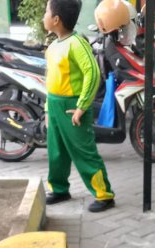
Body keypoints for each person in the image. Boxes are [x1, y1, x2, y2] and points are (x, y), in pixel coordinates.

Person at [42, 0, 115, 213]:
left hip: (73, 107)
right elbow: (50, 80)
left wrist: (82, 106)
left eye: (46, 12)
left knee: (84, 152)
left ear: (56, 20)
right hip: (55, 106)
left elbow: (91, 73)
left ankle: (104, 194)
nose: (43, 16)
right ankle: (59, 189)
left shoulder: (77, 43)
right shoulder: (54, 46)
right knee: (56, 152)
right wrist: (48, 108)